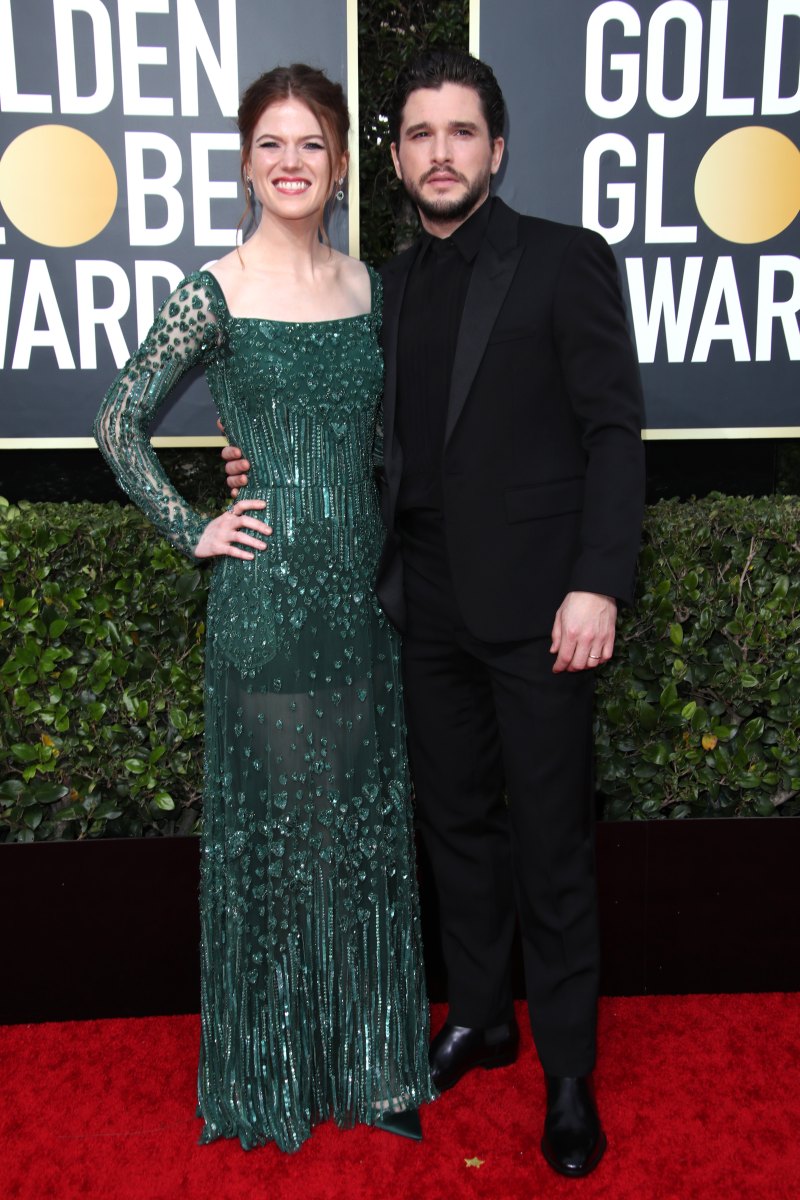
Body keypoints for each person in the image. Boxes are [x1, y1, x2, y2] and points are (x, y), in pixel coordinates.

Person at [223, 48, 646, 1177]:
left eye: (460, 132)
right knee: (454, 829)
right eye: (418, 134)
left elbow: (613, 431)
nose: (440, 152)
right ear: (396, 159)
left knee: (551, 843)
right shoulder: (383, 287)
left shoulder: (564, 263)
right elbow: (349, 429)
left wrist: (596, 581)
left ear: (496, 150)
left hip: (542, 612)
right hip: (421, 608)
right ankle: (480, 1018)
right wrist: (251, 458)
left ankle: (564, 1071)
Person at [94, 63, 434, 1153]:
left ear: (341, 166)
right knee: (287, 842)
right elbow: (117, 421)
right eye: (271, 144)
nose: (291, 163)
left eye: (313, 145)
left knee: (363, 833)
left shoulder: (373, 288)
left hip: (366, 600)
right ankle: (274, 1068)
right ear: (246, 162)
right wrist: (193, 523)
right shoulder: (215, 288)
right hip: (269, 603)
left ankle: (369, 1062)